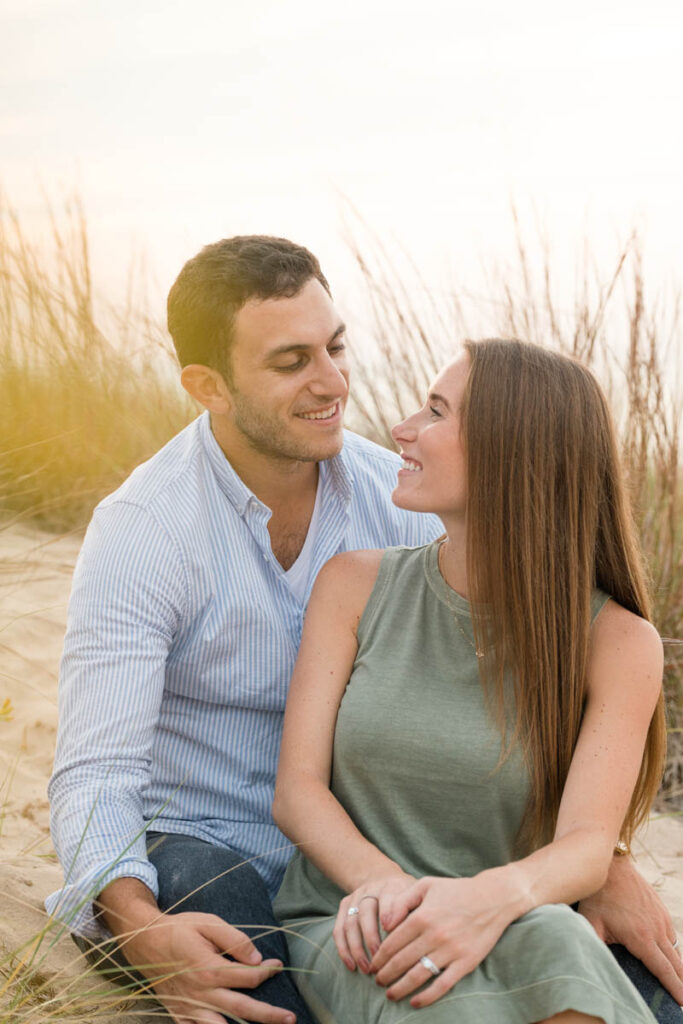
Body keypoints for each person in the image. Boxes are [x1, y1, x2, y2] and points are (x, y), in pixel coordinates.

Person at [46, 237, 681, 1024]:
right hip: (215, 843)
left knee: (642, 991)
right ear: (208, 386)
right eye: (291, 362)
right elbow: (96, 771)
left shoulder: (401, 492)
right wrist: (135, 925)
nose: (334, 382)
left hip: (415, 858)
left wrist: (595, 860)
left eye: (336, 346)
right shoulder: (144, 532)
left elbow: (506, 665)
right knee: (247, 976)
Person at [273, 339, 681, 1024]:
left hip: (513, 915)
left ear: (509, 453)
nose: (402, 428)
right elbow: (297, 791)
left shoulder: (617, 642)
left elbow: (585, 845)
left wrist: (483, 903)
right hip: (358, 912)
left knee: (559, 940)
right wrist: (397, 894)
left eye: (435, 411)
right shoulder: (351, 586)